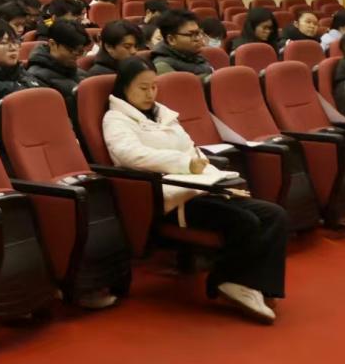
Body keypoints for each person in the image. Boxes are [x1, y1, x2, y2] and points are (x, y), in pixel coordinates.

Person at [103, 59, 287, 322]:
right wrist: (184, 164)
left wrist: (218, 180)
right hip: (170, 197)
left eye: (154, 86)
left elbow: (193, 151)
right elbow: (129, 155)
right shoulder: (116, 119)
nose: (150, 93)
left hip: (202, 187)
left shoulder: (163, 113)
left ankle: (258, 285)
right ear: (124, 88)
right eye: (143, 88)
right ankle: (227, 281)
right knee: (245, 221)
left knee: (275, 214)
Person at [25, 19, 91, 104]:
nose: (77, 55)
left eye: (80, 51)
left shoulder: (79, 72)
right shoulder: (36, 77)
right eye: (71, 50)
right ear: (52, 44)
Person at [150, 10, 213, 78]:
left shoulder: (196, 57)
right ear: (171, 39)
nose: (197, 39)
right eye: (191, 35)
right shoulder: (161, 65)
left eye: (197, 33)